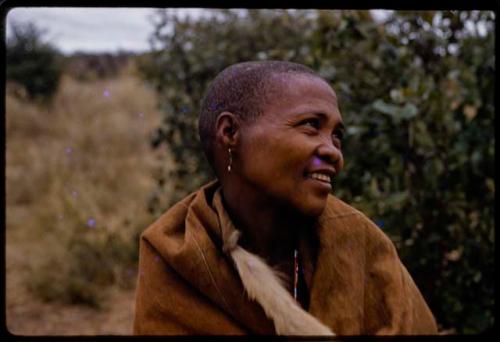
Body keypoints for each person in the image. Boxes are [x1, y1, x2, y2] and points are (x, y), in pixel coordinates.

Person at [133, 61, 438, 335]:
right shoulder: (175, 253)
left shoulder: (357, 237)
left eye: (336, 136)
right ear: (230, 133)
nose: (333, 151)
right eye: (310, 125)